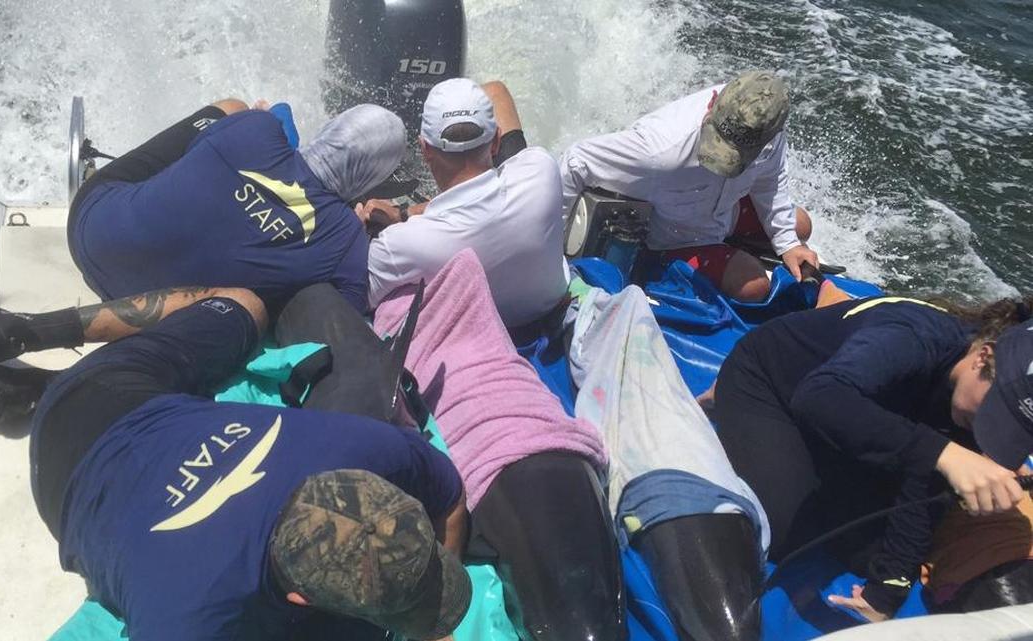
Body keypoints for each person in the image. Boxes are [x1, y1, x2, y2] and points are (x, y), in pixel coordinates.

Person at [0, 287, 471, 640]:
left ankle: (34, 370)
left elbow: (448, 496)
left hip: (123, 392)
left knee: (242, 304)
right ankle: (31, 378)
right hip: (63, 484)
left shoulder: (365, 446)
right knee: (243, 305)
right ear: (297, 599)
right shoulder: (190, 618)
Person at [709, 295, 1033, 623]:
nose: (988, 432)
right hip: (775, 384)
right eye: (994, 413)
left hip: (878, 407)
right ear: (983, 356)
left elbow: (923, 484)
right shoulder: (913, 336)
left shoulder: (966, 401)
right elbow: (819, 397)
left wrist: (888, 590)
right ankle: (722, 396)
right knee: (785, 529)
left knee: (868, 550)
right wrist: (944, 453)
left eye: (1010, 428)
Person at [68, 96, 405, 312]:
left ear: (333, 127)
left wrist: (254, 132)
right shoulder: (346, 239)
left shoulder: (258, 128)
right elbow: (349, 308)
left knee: (233, 106)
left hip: (89, 229)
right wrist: (355, 232)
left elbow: (194, 154)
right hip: (143, 316)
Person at [559, 70, 817, 302]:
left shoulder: (765, 126)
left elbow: (770, 180)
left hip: (723, 213)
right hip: (670, 239)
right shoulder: (659, 150)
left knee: (800, 224)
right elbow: (576, 161)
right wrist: (553, 252)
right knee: (754, 285)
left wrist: (787, 244)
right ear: (712, 103)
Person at [359, 78, 570, 329]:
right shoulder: (540, 171)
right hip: (545, 314)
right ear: (495, 142)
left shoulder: (400, 245)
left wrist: (375, 222)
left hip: (478, 337)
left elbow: (358, 298)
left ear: (425, 149)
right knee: (494, 90)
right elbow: (496, 92)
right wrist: (404, 214)